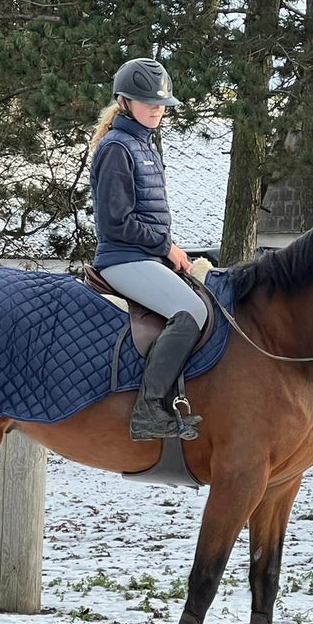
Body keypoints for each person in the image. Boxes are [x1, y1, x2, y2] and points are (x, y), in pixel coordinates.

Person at [89, 57, 208, 441]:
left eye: (161, 104)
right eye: (148, 102)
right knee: (190, 311)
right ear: (123, 102)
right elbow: (116, 222)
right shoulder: (117, 149)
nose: (158, 109)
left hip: (145, 257)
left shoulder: (143, 145)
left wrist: (168, 249)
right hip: (121, 260)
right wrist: (166, 246)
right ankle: (148, 411)